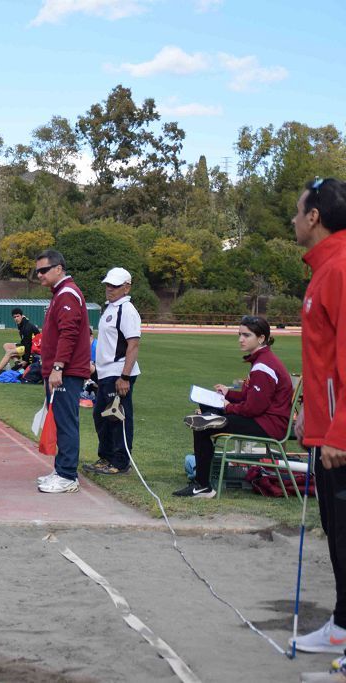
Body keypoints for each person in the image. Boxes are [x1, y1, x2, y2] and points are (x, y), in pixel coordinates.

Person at [289, 177, 346, 654]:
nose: (292, 219)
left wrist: (340, 432)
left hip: (340, 440)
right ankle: (343, 624)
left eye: (297, 210)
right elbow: (325, 360)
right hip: (326, 430)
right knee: (336, 528)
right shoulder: (324, 269)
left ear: (314, 217)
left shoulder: (341, 269)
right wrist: (312, 411)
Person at [175, 316, 291, 499]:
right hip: (266, 420)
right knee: (207, 411)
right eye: (239, 335)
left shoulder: (263, 366)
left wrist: (228, 407)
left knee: (203, 427)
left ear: (261, 338)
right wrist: (228, 394)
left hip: (269, 425)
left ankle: (203, 486)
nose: (240, 339)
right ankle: (210, 419)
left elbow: (253, 409)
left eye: (246, 335)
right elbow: (250, 397)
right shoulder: (263, 361)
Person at [34, 249, 91, 494]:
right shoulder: (59, 294)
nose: (39, 275)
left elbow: (69, 333)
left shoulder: (67, 294)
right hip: (58, 370)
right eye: (37, 271)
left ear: (59, 268)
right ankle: (61, 470)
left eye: (44, 270)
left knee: (66, 422)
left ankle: (68, 475)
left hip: (65, 372)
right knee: (59, 420)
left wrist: (58, 367)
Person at [84, 267, 141, 476]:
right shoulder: (110, 308)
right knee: (101, 415)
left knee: (117, 417)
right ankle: (106, 456)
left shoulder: (126, 310)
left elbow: (133, 345)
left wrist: (124, 376)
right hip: (106, 372)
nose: (110, 289)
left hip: (118, 372)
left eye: (115, 286)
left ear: (127, 287)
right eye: (108, 284)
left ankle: (120, 461)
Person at [0, 308, 39, 375]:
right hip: (25, 345)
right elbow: (25, 341)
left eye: (18, 316)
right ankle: (17, 363)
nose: (16, 318)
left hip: (33, 348)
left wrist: (26, 360)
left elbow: (28, 344)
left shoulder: (27, 326)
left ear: (22, 316)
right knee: (6, 345)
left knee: (9, 352)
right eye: (14, 317)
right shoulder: (21, 324)